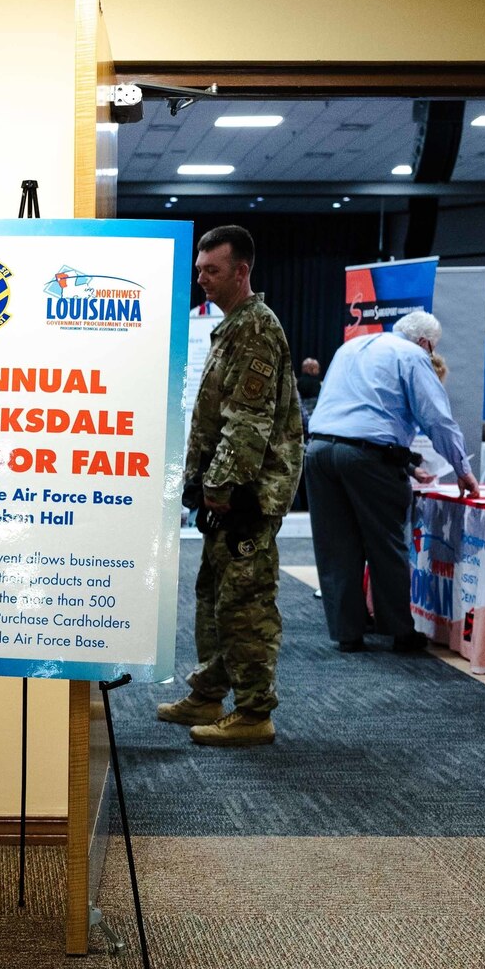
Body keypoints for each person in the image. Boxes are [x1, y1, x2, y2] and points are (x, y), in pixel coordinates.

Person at [155, 226, 305, 748]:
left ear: (241, 271)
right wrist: (200, 484)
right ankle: (208, 691)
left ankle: (254, 711)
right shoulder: (232, 326)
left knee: (244, 601)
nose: (202, 279)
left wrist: (220, 491)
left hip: (247, 496)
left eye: (211, 270)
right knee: (213, 594)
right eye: (199, 270)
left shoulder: (255, 330)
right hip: (225, 490)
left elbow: (247, 420)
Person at [305, 309, 477, 654]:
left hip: (319, 451)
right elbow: (437, 419)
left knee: (336, 546)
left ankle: (347, 632)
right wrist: (462, 468)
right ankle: (399, 632)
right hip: (367, 458)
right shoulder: (413, 355)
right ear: (426, 343)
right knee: (385, 545)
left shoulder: (350, 347)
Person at [295, 357, 323, 424]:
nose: (319, 371)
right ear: (311, 369)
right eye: (317, 368)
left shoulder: (299, 382)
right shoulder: (315, 383)